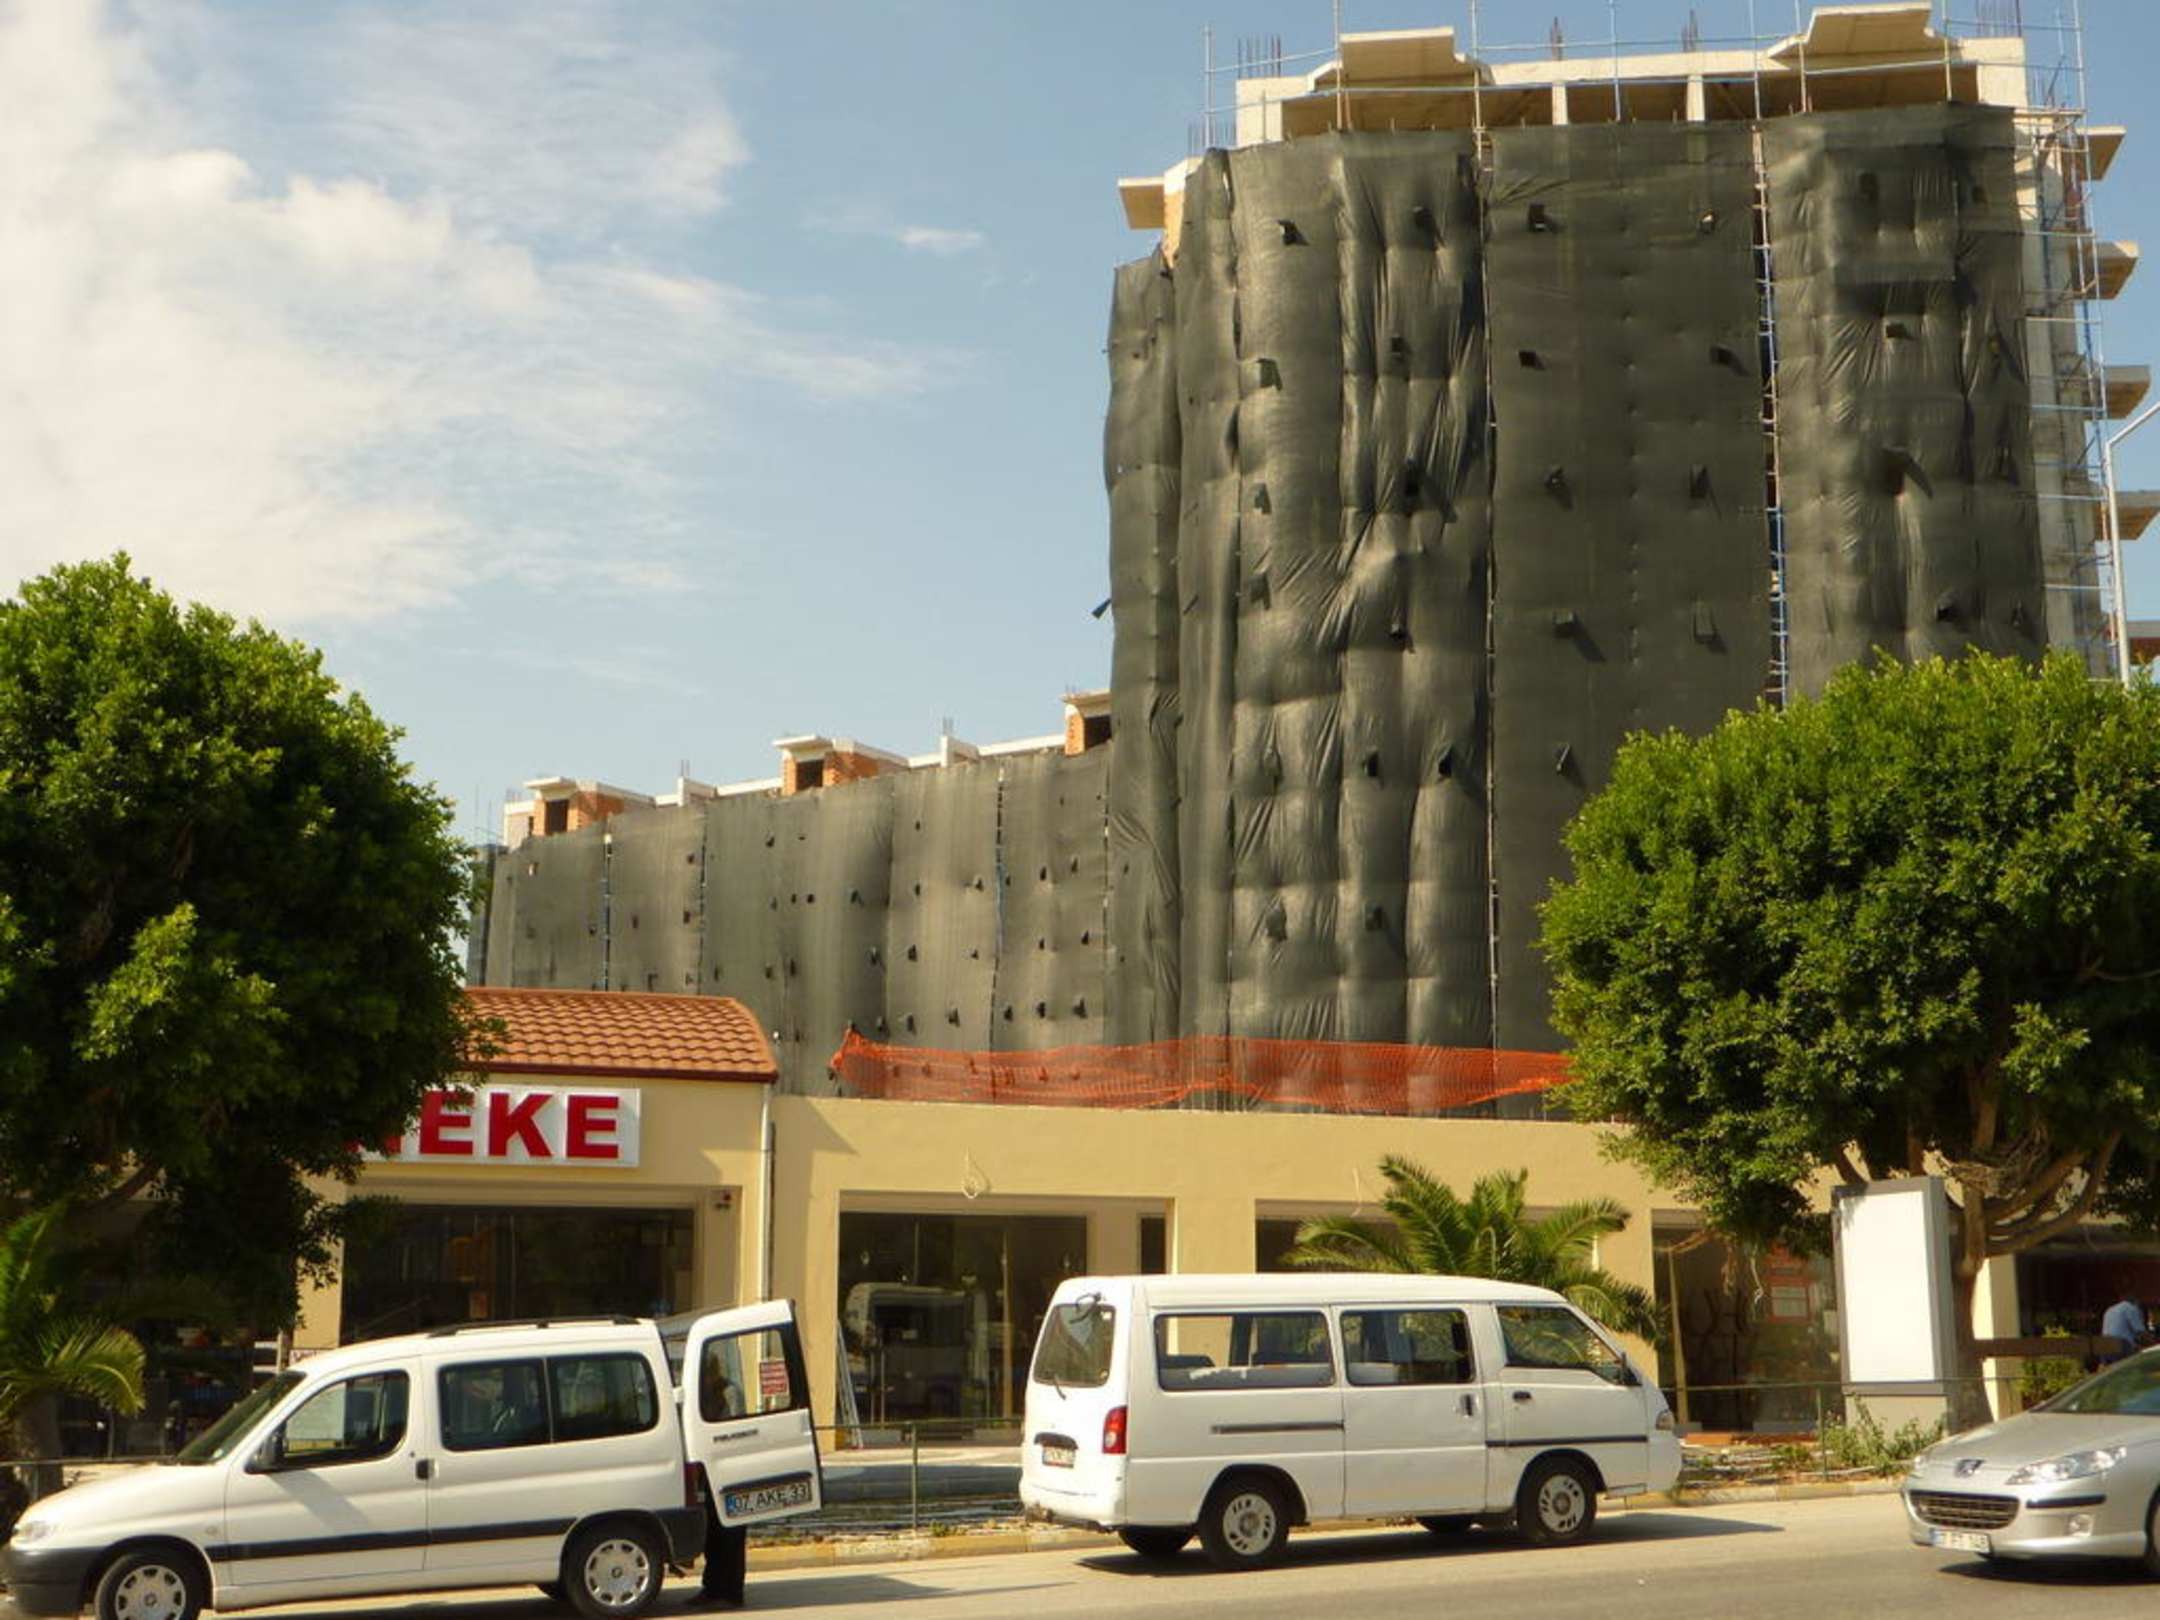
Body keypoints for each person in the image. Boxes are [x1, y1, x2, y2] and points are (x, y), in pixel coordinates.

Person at [2100, 1290, 2150, 1362]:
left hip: (2104, 1346)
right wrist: (2154, 1343)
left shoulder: (2109, 1309)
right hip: (2121, 1346)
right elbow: (2141, 1332)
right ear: (2136, 1302)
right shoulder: (2131, 1308)